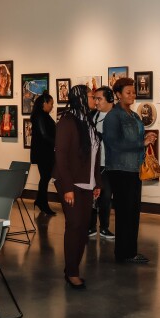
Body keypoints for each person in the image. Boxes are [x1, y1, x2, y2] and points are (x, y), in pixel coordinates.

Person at [103, 77, 156, 264]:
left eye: (133, 92)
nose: (132, 95)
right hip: (119, 169)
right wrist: (140, 143)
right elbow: (113, 143)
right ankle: (123, 252)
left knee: (133, 212)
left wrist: (146, 137)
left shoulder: (134, 116)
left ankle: (130, 251)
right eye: (128, 92)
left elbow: (134, 139)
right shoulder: (112, 116)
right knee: (125, 212)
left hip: (134, 169)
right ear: (118, 94)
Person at [54, 85, 102, 290]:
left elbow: (95, 156)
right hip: (71, 184)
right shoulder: (67, 121)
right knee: (74, 226)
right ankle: (71, 272)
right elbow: (61, 156)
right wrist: (67, 187)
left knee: (83, 227)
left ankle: (72, 268)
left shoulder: (88, 122)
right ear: (81, 98)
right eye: (93, 97)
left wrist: (97, 182)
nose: (96, 101)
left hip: (87, 183)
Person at [89, 86, 115, 239]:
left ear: (110, 99)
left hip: (109, 164)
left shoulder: (117, 116)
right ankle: (90, 226)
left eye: (99, 98)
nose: (96, 101)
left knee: (105, 197)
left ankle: (104, 227)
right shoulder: (92, 115)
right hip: (93, 163)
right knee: (92, 197)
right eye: (94, 98)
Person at [30, 92, 56, 216]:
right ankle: (42, 203)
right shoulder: (39, 116)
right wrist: (56, 143)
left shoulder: (43, 115)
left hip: (46, 151)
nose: (52, 106)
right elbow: (44, 135)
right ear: (44, 103)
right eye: (51, 104)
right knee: (45, 178)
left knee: (45, 178)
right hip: (43, 152)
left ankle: (40, 201)